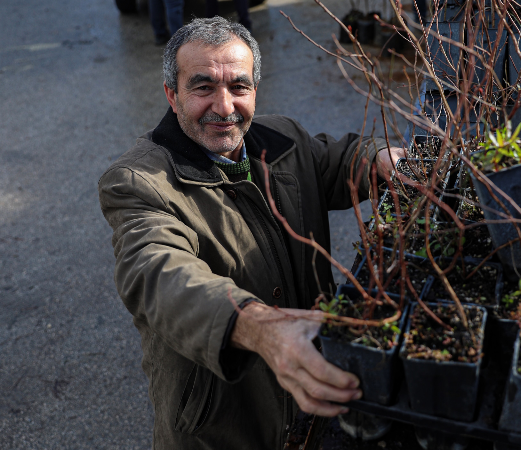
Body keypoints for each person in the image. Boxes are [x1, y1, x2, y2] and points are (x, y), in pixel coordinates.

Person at [98, 16, 404, 449]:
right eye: (203, 87)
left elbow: (338, 161)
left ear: (255, 90)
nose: (224, 107)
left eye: (238, 87)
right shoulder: (138, 182)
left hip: (312, 398)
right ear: (172, 94)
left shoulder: (282, 138)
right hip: (225, 425)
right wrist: (257, 326)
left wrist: (380, 158)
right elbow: (159, 275)